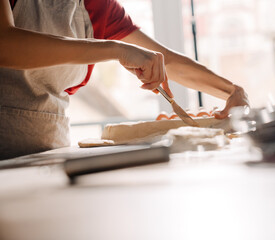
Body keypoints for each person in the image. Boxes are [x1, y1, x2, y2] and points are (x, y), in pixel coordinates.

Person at [0, 0, 249, 160]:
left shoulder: (96, 6)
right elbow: (5, 44)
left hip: (51, 152)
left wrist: (231, 91)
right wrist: (114, 49)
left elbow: (165, 61)